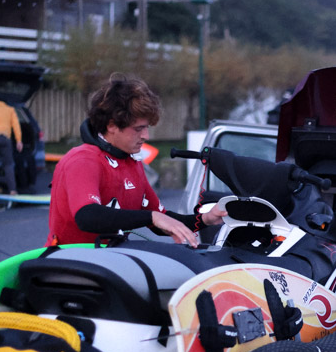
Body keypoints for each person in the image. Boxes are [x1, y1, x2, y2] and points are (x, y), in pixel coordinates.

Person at [46, 73, 225, 247]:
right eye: (138, 129)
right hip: (67, 261)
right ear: (112, 125)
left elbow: (162, 221)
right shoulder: (83, 160)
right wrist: (151, 217)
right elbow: (87, 216)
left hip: (108, 258)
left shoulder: (132, 163)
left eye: (146, 128)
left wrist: (206, 218)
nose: (146, 136)